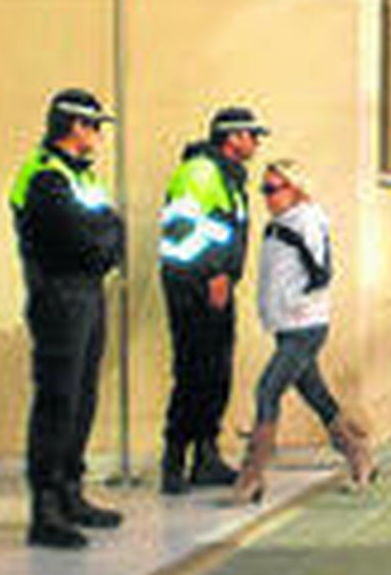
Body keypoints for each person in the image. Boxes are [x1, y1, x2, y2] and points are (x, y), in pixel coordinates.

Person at [9, 89, 126, 549]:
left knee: (82, 395)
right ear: (74, 126)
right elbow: (77, 240)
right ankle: (46, 509)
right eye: (94, 126)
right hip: (59, 295)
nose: (98, 135)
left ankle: (70, 492)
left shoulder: (81, 177)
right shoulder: (45, 177)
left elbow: (112, 231)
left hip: (87, 293)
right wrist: (103, 240)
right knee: (58, 399)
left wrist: (104, 240)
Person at [232, 161, 375, 502]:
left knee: (268, 390)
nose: (267, 197)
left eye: (273, 189)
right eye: (264, 189)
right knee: (315, 393)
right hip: (285, 325)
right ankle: (359, 454)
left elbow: (321, 272)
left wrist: (297, 304)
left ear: (295, 189)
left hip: (305, 326)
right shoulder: (277, 225)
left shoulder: (307, 220)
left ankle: (253, 474)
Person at [158, 107, 265, 493]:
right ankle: (174, 461)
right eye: (252, 135)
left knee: (215, 374)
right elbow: (179, 231)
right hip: (194, 288)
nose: (256, 143)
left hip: (215, 287)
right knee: (193, 373)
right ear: (232, 137)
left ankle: (206, 456)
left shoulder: (227, 176)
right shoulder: (200, 172)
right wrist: (213, 273)